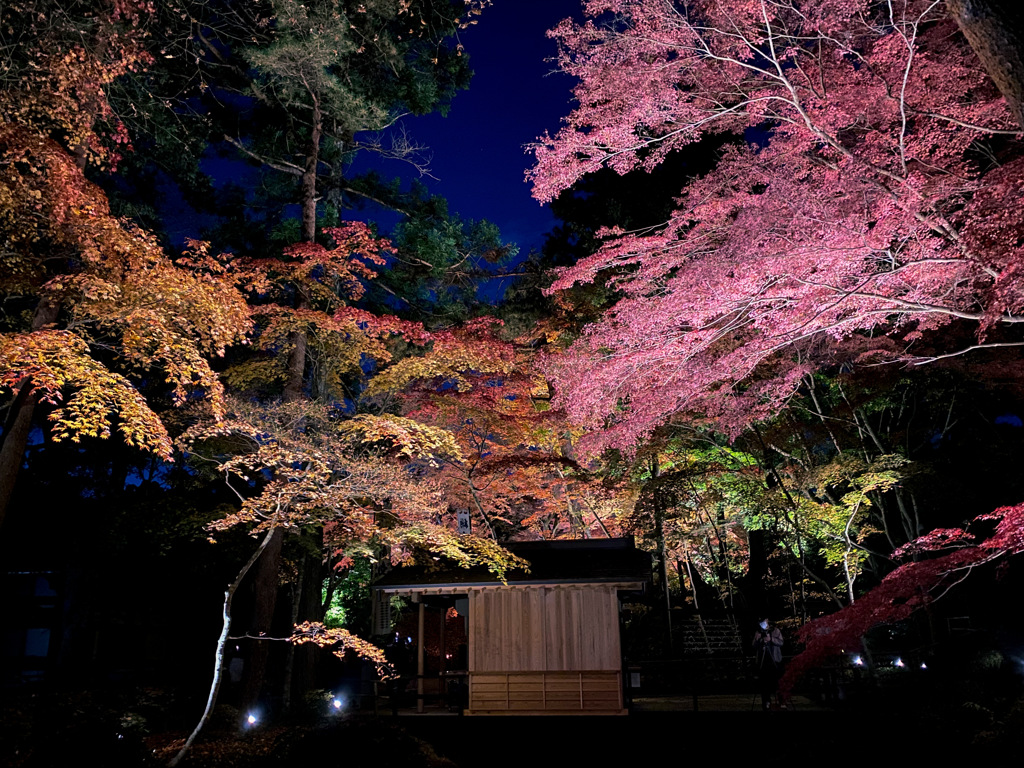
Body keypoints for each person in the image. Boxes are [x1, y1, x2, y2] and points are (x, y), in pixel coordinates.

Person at [752, 618, 784, 710]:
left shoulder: (775, 631)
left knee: (778, 682)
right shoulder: (758, 631)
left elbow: (781, 642)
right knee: (764, 684)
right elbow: (754, 645)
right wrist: (757, 640)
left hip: (774, 660)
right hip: (763, 661)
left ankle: (781, 701)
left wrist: (771, 639)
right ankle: (766, 702)